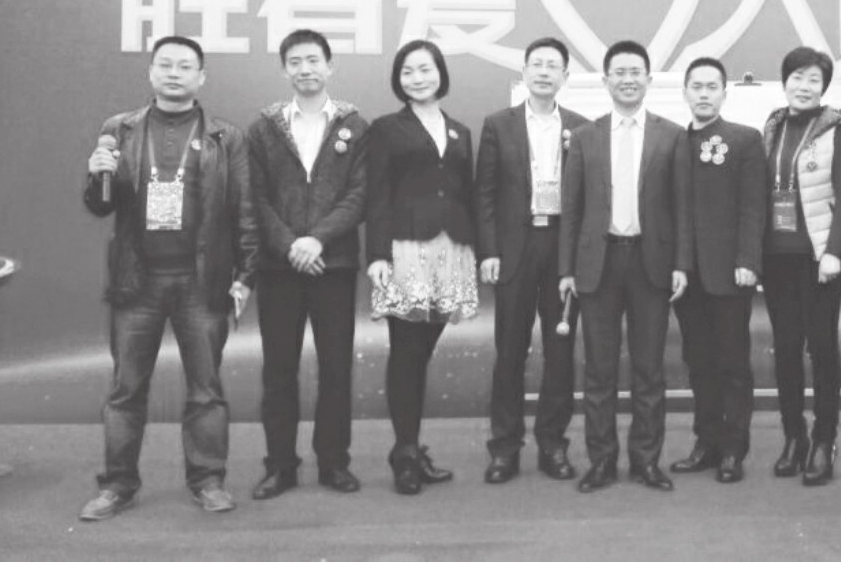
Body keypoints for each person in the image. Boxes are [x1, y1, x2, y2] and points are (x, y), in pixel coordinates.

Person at [79, 36, 257, 520]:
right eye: (165, 64)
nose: (174, 73)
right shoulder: (119, 129)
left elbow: (244, 209)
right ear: (151, 72)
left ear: (201, 77)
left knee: (206, 390)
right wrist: (96, 175)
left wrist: (246, 276)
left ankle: (208, 481)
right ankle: (117, 485)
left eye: (184, 66)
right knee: (126, 390)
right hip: (137, 281)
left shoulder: (226, 138)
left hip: (202, 281)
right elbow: (100, 206)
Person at [559, 39, 692, 493]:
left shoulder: (672, 135)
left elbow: (682, 207)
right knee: (599, 370)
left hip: (651, 263)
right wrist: (566, 269)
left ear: (649, 80)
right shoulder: (584, 136)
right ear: (606, 80)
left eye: (636, 72)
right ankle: (601, 461)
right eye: (620, 72)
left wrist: (682, 264)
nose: (628, 79)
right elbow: (571, 209)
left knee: (649, 369)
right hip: (597, 264)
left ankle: (645, 460)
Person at [246, 29, 369, 499]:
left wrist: (317, 240)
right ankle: (280, 466)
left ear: (330, 66)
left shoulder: (355, 125)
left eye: (313, 60)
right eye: (295, 61)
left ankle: (334, 462)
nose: (305, 69)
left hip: (333, 267)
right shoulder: (264, 128)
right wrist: (290, 244)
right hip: (280, 270)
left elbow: (359, 194)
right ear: (284, 70)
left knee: (336, 370)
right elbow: (255, 197)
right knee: (279, 371)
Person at [365, 39, 478, 495]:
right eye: (408, 71)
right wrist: (377, 254)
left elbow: (467, 193)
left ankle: (409, 447)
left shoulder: (460, 131)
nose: (418, 78)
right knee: (406, 352)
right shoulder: (386, 129)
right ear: (398, 79)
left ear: (440, 73)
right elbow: (376, 194)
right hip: (406, 250)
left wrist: (480, 250)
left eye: (425, 69)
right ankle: (406, 453)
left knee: (422, 352)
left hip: (452, 250)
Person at [476, 37, 589, 484]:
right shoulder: (497, 125)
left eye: (552, 65)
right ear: (523, 72)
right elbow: (484, 194)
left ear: (565, 76)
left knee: (560, 352)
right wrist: (489, 251)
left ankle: (553, 444)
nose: (544, 72)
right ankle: (504, 448)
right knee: (510, 351)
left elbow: (587, 198)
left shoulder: (581, 128)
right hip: (514, 249)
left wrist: (578, 260)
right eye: (536, 64)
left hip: (562, 249)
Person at [759, 46, 841, 487]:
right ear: (785, 82)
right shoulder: (772, 127)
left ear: (824, 87)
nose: (804, 86)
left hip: (820, 260)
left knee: (822, 349)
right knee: (785, 349)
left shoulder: (838, 131)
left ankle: (824, 439)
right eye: (797, 77)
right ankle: (793, 437)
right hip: (776, 258)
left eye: (813, 80)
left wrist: (834, 250)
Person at [669, 57, 767, 484]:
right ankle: (706, 443)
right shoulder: (672, 141)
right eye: (697, 86)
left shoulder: (744, 139)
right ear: (685, 93)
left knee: (732, 364)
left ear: (725, 93)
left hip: (730, 274)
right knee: (699, 364)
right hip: (686, 276)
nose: (704, 94)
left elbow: (754, 206)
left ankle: (733, 449)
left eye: (712, 86)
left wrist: (748, 260)